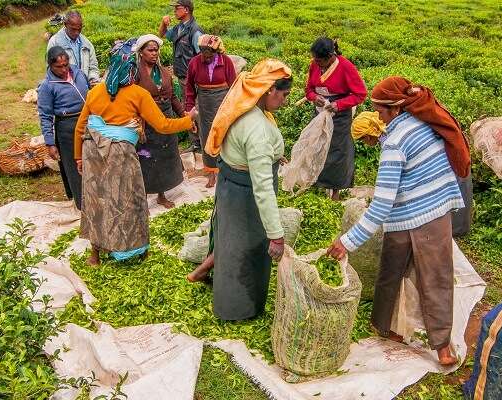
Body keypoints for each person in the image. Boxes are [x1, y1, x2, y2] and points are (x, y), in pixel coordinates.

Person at [327, 76, 471, 366]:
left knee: (434, 277)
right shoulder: (423, 124)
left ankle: (441, 344)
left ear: (394, 108)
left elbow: (381, 205)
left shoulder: (395, 143)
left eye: (380, 110)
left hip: (428, 214)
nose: (378, 115)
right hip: (419, 211)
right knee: (392, 269)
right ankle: (387, 326)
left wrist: (347, 242)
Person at [74, 53, 198, 266]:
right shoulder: (137, 93)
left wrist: (78, 158)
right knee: (131, 200)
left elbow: (80, 128)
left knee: (97, 201)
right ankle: (138, 250)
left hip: (92, 151)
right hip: (120, 154)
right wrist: (189, 121)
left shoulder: (95, 92)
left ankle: (95, 256)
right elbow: (162, 125)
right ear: (131, 72)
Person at [202, 59, 292, 320]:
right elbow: (263, 188)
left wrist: (276, 156)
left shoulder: (244, 107)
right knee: (244, 252)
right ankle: (238, 310)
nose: (285, 101)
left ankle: (223, 292)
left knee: (229, 244)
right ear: (269, 90)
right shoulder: (258, 130)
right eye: (284, 95)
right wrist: (276, 234)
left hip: (231, 187)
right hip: (246, 197)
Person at [305, 37, 367, 200]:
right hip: (320, 112)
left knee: (337, 151)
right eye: (315, 61)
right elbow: (309, 89)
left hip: (339, 116)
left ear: (330, 56)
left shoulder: (346, 66)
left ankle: (335, 191)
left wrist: (339, 105)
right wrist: (313, 97)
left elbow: (360, 94)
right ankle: (317, 185)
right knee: (318, 147)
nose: (317, 64)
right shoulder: (315, 65)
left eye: (319, 61)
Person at [133, 34, 186, 208]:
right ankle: (144, 197)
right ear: (141, 52)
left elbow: (173, 98)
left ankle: (161, 194)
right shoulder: (135, 74)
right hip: (147, 122)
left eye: (156, 50)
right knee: (148, 158)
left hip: (166, 118)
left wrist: (184, 117)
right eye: (150, 50)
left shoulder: (163, 72)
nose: (154, 53)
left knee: (165, 157)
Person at [37, 46, 89, 210]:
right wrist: (50, 143)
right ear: (50, 66)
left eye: (66, 64)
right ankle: (83, 204)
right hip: (67, 126)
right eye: (59, 67)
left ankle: (97, 196)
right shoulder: (47, 86)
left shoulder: (78, 73)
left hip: (88, 120)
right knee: (74, 165)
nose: (64, 69)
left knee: (92, 160)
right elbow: (45, 115)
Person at [185, 34, 236, 188]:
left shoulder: (225, 62)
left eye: (209, 51)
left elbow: (233, 86)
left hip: (222, 103)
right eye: (203, 50)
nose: (205, 54)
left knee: (224, 136)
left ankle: (226, 170)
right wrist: (189, 109)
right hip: (205, 104)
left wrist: (234, 108)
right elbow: (189, 89)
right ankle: (211, 173)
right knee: (207, 137)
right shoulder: (194, 63)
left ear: (217, 51)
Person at [159, 0, 203, 152]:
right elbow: (163, 34)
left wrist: (196, 78)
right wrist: (164, 24)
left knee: (195, 109)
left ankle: (201, 143)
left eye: (177, 8)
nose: (174, 11)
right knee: (188, 107)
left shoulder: (195, 31)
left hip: (192, 79)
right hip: (182, 76)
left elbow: (201, 57)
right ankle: (195, 142)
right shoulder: (179, 28)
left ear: (186, 10)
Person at [47, 11, 100, 84]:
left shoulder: (87, 44)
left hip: (85, 88)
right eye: (73, 29)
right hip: (64, 89)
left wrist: (93, 80)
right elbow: (50, 70)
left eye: (79, 29)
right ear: (65, 24)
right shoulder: (54, 42)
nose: (77, 33)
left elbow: (93, 67)